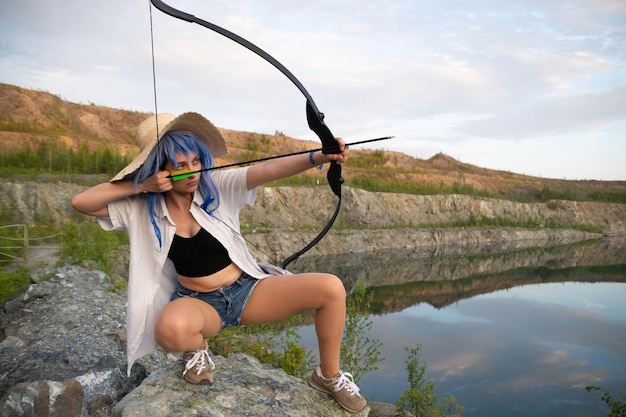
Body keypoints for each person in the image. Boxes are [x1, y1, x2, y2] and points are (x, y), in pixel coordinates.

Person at [71, 112, 367, 413]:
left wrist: (318, 155)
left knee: (331, 288)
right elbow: (81, 203)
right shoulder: (139, 207)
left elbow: (266, 170)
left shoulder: (217, 186)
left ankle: (328, 377)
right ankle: (196, 349)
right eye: (181, 166)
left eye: (196, 161)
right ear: (161, 171)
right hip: (198, 302)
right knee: (170, 331)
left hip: (248, 292)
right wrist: (140, 186)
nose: (193, 172)